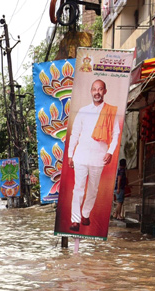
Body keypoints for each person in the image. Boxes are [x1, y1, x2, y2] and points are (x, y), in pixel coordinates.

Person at [66, 78, 121, 230]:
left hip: (99, 157)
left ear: (105, 91)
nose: (97, 92)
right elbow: (75, 133)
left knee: (93, 188)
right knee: (78, 187)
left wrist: (110, 151)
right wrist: (70, 154)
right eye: (94, 89)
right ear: (91, 91)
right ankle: (75, 220)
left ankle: (85, 213)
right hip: (81, 156)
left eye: (100, 89)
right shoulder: (83, 111)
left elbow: (116, 134)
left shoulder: (110, 111)